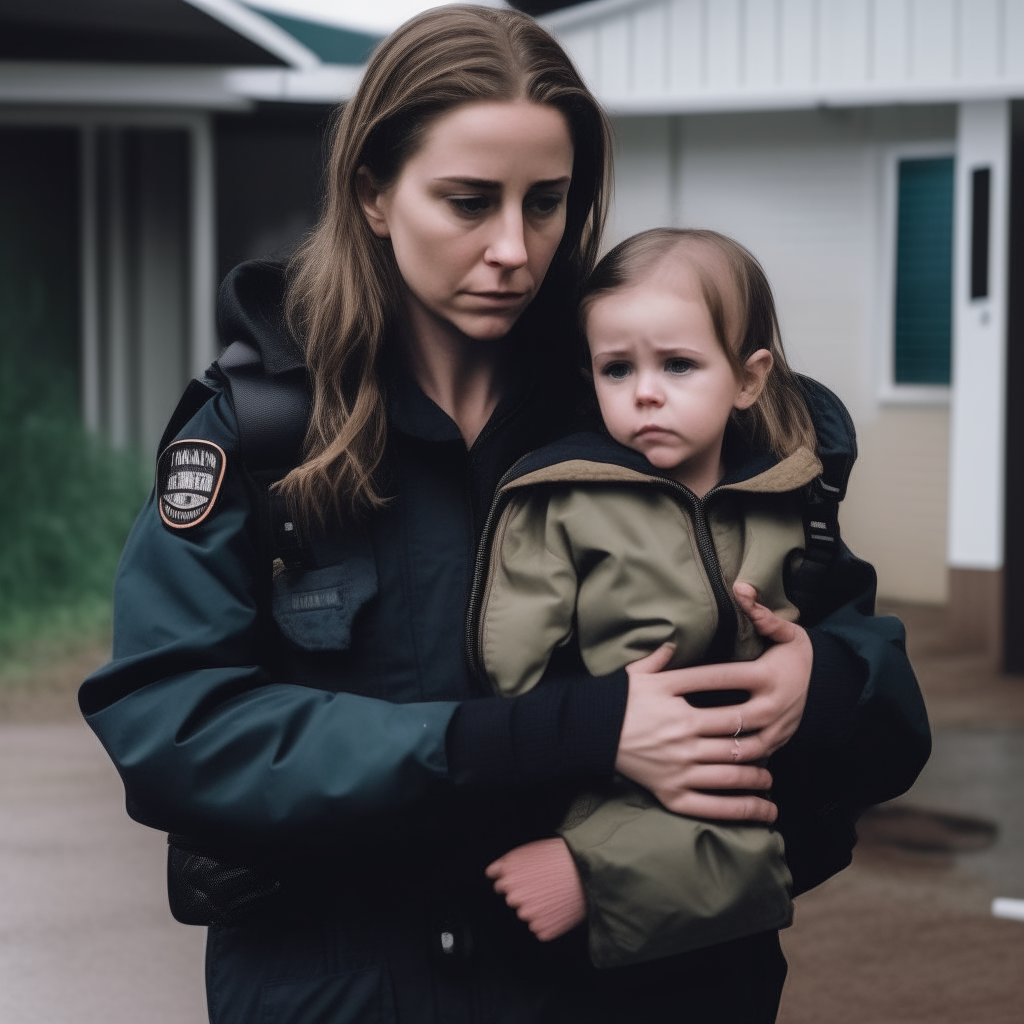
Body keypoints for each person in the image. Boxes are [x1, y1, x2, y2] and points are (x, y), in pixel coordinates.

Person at [78, 7, 930, 1023]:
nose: (514, 250)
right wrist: (547, 735)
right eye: (469, 202)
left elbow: (878, 714)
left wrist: (818, 680)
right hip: (359, 990)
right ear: (374, 195)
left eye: (548, 203)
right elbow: (172, 725)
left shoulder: (653, 400)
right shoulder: (263, 430)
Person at [480, 227, 833, 969]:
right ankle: (597, 869)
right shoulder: (564, 497)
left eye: (678, 364)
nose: (644, 392)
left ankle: (608, 876)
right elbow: (509, 670)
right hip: (612, 777)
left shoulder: (786, 494)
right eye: (617, 369)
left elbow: (835, 624)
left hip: (756, 775)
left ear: (748, 378)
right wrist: (602, 713)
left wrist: (811, 663)